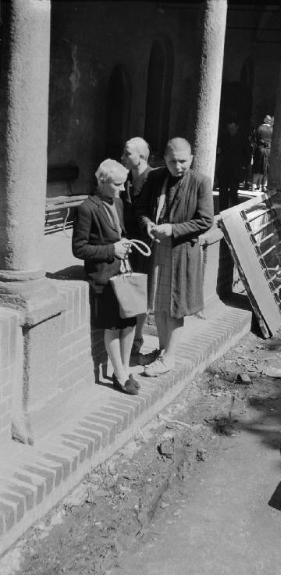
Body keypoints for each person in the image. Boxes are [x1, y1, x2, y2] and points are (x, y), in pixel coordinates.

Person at [137, 137, 214, 376]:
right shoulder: (155, 177)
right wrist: (148, 223)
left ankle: (169, 358)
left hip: (181, 251)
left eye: (182, 161)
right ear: (164, 159)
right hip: (158, 248)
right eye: (172, 161)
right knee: (159, 304)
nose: (177, 166)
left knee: (175, 306)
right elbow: (140, 209)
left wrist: (173, 229)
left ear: (191, 159)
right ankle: (162, 351)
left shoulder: (200, 182)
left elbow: (205, 220)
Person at [72, 159, 140, 395]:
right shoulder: (87, 208)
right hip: (103, 276)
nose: (122, 189)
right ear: (102, 182)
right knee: (112, 325)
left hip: (123, 272)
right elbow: (79, 249)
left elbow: (120, 232)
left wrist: (124, 244)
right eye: (118, 184)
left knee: (130, 321)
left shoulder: (118, 202)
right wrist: (112, 250)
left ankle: (123, 367)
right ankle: (119, 374)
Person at [121, 137, 153, 355]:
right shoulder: (123, 178)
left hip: (146, 244)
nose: (122, 157)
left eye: (127, 154)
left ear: (141, 157)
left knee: (142, 290)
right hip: (126, 242)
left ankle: (138, 336)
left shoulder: (154, 178)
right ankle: (128, 334)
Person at [217, 114, 250, 210]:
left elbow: (247, 153)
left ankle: (234, 212)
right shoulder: (224, 136)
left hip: (236, 169)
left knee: (233, 192)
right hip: (224, 168)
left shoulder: (243, 138)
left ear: (237, 127)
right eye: (229, 128)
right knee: (223, 191)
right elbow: (220, 150)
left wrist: (244, 166)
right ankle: (222, 212)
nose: (231, 130)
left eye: (232, 128)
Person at [252, 114, 273, 191]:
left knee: (257, 167)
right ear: (269, 121)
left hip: (259, 149)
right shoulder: (272, 129)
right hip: (269, 150)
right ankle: (263, 185)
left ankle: (254, 185)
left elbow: (254, 140)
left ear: (264, 120)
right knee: (266, 168)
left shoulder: (259, 128)